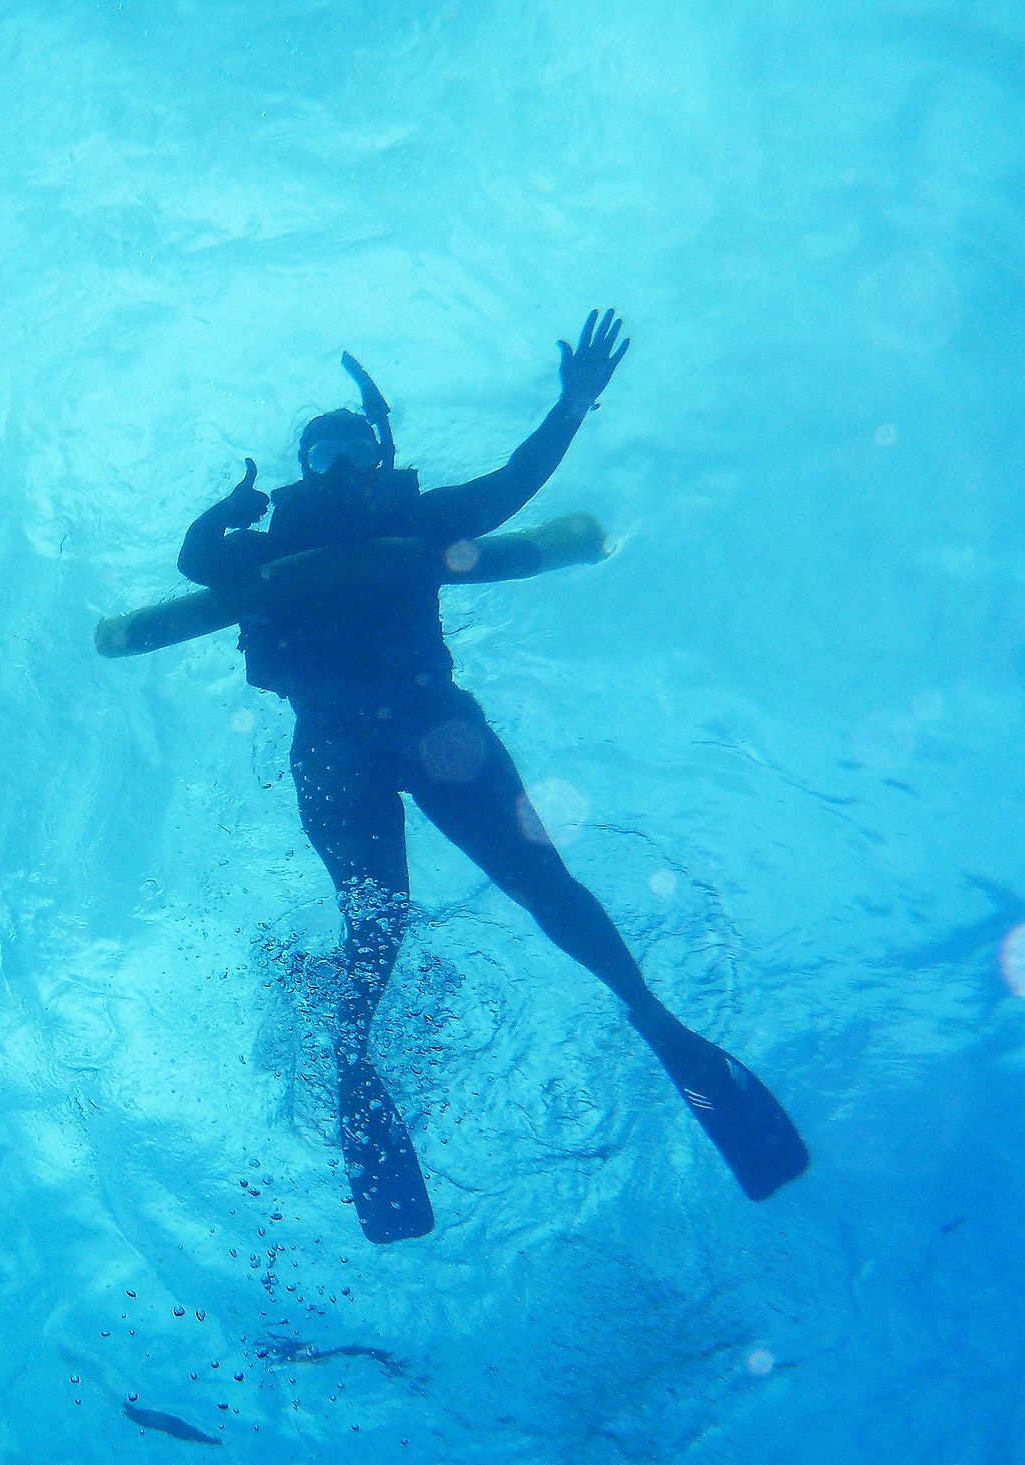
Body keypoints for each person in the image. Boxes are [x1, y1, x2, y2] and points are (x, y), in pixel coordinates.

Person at [178, 312, 807, 1241]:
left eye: (356, 448)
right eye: (324, 456)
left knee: (542, 881)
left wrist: (573, 404)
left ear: (379, 450)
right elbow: (195, 561)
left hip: (439, 731)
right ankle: (354, 1059)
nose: (345, 470)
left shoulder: (419, 518)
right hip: (337, 749)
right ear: (301, 472)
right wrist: (230, 510)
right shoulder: (270, 544)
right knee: (374, 919)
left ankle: (655, 1020)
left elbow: (515, 485)